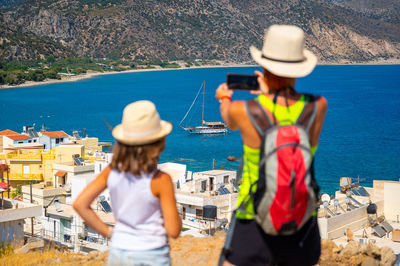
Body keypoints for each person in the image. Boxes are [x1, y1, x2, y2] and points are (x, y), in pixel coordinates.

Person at [215, 25, 328, 265]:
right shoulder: (318, 107)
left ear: (264, 67)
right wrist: (272, 90)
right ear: (298, 69)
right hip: (301, 222)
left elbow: (228, 117)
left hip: (253, 217)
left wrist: (224, 96)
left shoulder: (245, 111)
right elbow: (286, 113)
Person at [73, 100, 181, 266]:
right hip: (152, 254)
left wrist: (108, 232)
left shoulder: (111, 171)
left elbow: (80, 204)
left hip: (119, 252)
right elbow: (173, 230)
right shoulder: (161, 180)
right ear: (159, 143)